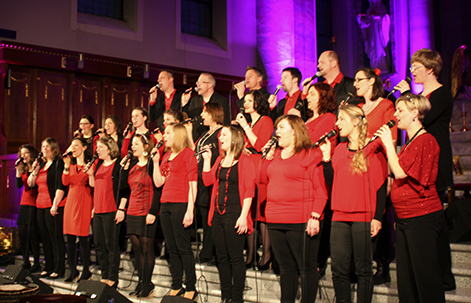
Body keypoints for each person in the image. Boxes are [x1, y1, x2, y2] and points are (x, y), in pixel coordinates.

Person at [376, 93, 447, 303]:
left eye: (400, 110)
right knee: (406, 279)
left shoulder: (426, 140)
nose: (396, 114)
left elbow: (400, 173)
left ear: (415, 113)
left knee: (425, 278)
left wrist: (388, 143)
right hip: (407, 217)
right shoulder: (410, 141)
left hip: (422, 218)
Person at [394, 48, 455, 290]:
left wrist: (408, 95)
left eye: (416, 67)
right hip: (418, 158)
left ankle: (444, 275)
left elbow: (424, 119)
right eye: (411, 67)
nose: (412, 71)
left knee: (435, 221)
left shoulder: (441, 95)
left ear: (430, 69)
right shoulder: (420, 95)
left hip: (434, 160)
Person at [320, 104, 387, 303]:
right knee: (338, 269)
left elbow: (381, 186)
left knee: (363, 269)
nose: (337, 123)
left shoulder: (373, 148)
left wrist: (377, 217)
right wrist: (325, 158)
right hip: (339, 216)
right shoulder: (339, 149)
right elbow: (332, 181)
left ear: (356, 121)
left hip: (364, 217)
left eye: (341, 119)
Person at [260, 115, 328, 303]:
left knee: (306, 267)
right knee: (286, 267)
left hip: (300, 219)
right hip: (275, 218)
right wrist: (266, 157)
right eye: (277, 128)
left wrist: (315, 216)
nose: (277, 132)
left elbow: (321, 190)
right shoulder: (274, 155)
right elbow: (260, 178)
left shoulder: (309, 154)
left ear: (295, 131)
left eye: (281, 127)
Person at [202, 125, 256, 303]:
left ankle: (236, 297)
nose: (220, 137)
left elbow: (249, 190)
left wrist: (243, 215)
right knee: (222, 256)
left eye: (224, 134)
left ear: (234, 138)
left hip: (235, 213)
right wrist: (207, 160)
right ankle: (226, 296)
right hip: (218, 214)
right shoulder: (220, 159)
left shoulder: (245, 160)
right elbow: (208, 180)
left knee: (235, 257)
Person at [152, 123, 198, 300]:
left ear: (177, 135)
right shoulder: (167, 156)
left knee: (183, 247)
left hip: (180, 204)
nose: (164, 136)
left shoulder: (188, 154)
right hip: (165, 204)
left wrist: (190, 210)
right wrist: (156, 162)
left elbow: (193, 183)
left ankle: (191, 286)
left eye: (168, 133)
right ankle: (176, 284)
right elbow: (158, 182)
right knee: (171, 247)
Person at [234, 90, 273, 270]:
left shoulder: (265, 121)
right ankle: (250, 255)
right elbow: (244, 145)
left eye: (250, 100)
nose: (246, 103)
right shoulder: (248, 123)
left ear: (258, 102)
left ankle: (266, 255)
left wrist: (245, 127)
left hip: (260, 167)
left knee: (261, 214)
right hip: (248, 166)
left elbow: (259, 144)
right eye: (245, 100)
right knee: (249, 211)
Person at [118, 133, 160, 298]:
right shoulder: (133, 165)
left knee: (146, 246)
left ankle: (147, 283)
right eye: (132, 144)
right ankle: (142, 281)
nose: (132, 147)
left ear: (145, 147)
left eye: (136, 144)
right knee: (136, 247)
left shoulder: (150, 164)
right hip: (133, 210)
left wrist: (152, 211)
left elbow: (157, 189)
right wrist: (124, 169)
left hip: (147, 210)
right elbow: (123, 188)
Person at [303, 82, 337, 277]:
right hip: (303, 171)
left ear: (323, 98)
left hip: (318, 169)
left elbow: (313, 143)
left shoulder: (328, 118)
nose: (307, 97)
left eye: (313, 95)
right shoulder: (307, 120)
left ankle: (319, 260)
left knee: (321, 215)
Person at [189, 103, 224, 265]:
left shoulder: (221, 132)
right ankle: (206, 249)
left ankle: (209, 251)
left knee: (210, 217)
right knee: (203, 215)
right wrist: (189, 134)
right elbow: (194, 151)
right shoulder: (204, 133)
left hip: (211, 178)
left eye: (205, 112)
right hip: (200, 179)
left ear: (213, 113)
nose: (202, 115)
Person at [28, 137, 67, 279]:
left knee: (55, 237)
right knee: (45, 237)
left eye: (46, 146)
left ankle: (59, 268)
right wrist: (34, 171)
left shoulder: (58, 163)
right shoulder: (41, 165)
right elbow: (31, 183)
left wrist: (55, 204)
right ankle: (49, 266)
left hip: (53, 204)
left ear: (53, 148)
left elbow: (60, 185)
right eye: (42, 146)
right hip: (40, 205)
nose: (43, 149)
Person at [89, 136, 122, 288]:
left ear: (109, 149)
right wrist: (90, 174)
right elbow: (94, 185)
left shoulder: (117, 165)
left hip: (111, 209)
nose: (97, 150)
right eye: (97, 147)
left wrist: (120, 209)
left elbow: (121, 189)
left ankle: (113, 277)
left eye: (100, 147)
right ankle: (104, 275)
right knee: (99, 244)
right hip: (98, 210)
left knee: (111, 244)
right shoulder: (98, 165)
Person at [62, 137, 93, 282]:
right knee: (70, 237)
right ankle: (72, 270)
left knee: (83, 237)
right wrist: (67, 166)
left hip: (85, 200)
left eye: (76, 145)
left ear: (84, 147)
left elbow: (91, 184)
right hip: (71, 200)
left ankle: (86, 270)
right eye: (71, 146)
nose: (73, 148)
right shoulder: (70, 165)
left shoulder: (90, 164)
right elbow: (65, 182)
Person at [182, 72, 230, 141]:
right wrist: (184, 103)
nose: (198, 85)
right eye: (197, 82)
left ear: (210, 84)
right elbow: (187, 118)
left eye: (201, 82)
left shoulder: (221, 101)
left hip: (214, 138)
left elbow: (225, 122)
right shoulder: (194, 100)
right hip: (195, 139)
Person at [15, 144, 41, 273]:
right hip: (24, 203)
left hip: (35, 204)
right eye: (21, 154)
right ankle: (26, 261)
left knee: (32, 234)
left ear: (31, 154)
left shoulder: (37, 166)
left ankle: (36, 262)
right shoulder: (23, 168)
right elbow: (19, 185)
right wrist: (18, 171)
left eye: (26, 153)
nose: (23, 156)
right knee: (22, 233)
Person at [355, 67, 397, 141]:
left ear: (371, 81)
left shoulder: (385, 105)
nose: (355, 84)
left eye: (359, 80)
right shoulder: (359, 108)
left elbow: (392, 139)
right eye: (355, 80)